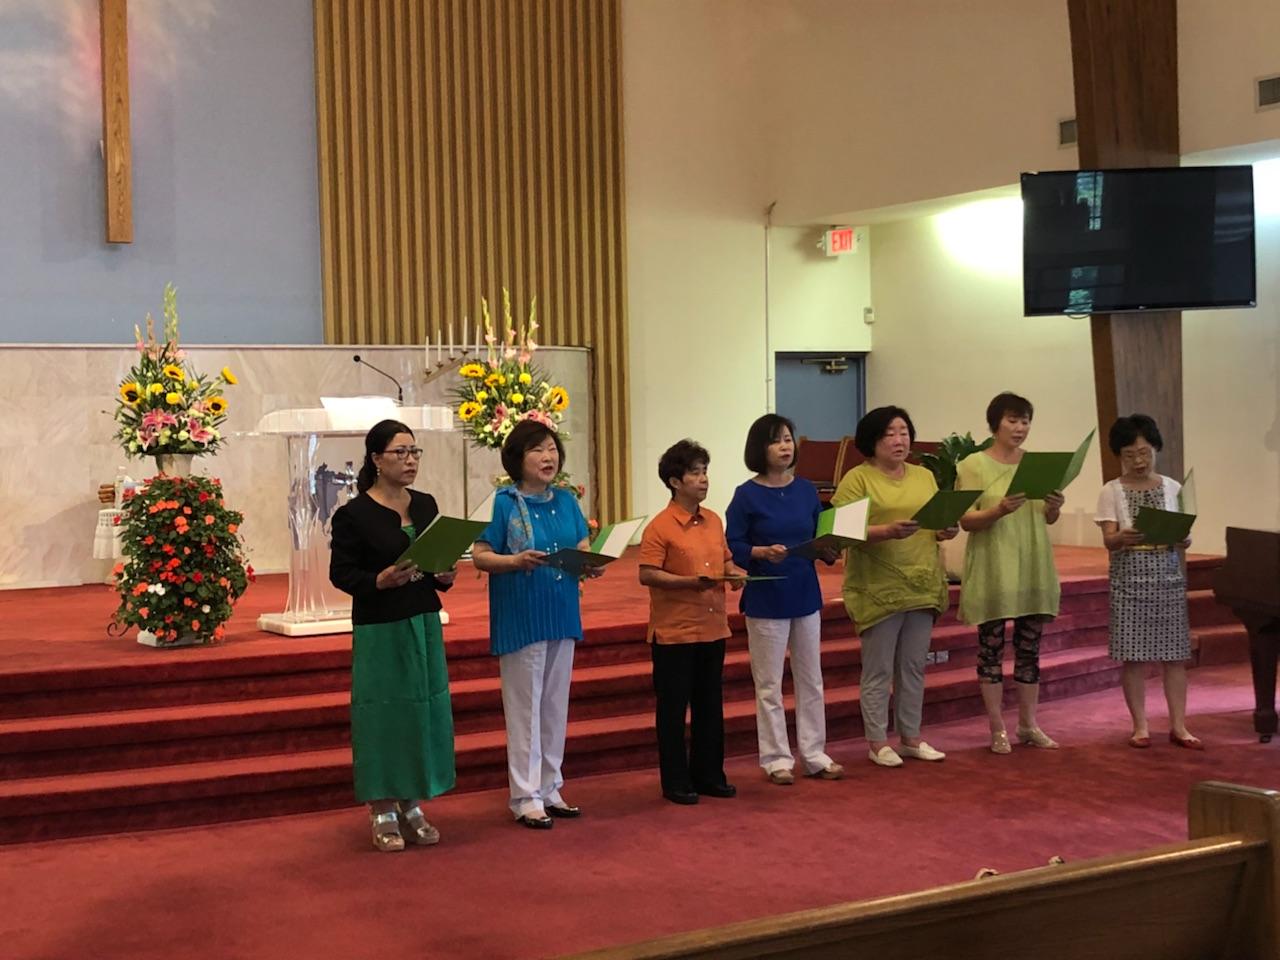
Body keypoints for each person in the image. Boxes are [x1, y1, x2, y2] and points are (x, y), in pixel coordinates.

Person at [329, 419, 457, 852]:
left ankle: (412, 801)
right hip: (381, 625)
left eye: (415, 451)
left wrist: (444, 574)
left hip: (423, 619)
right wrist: (377, 581)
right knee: (384, 714)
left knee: (422, 711)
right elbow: (342, 573)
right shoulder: (353, 514)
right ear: (376, 459)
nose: (410, 460)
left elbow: (437, 564)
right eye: (400, 452)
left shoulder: (425, 504)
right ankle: (382, 807)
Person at [471, 420, 599, 828]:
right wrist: (515, 561)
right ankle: (525, 796)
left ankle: (550, 787)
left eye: (552, 449)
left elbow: (582, 543)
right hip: (522, 614)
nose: (548, 457)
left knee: (554, 706)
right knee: (525, 708)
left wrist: (590, 562)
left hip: (561, 611)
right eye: (537, 450)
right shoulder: (503, 503)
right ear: (517, 458)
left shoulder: (566, 500)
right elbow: (480, 555)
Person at [832, 406, 955, 767]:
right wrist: (884, 531)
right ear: (872, 440)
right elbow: (838, 533)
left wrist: (945, 529)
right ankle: (876, 742)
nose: (899, 440)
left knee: (913, 666)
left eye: (904, 432)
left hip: (921, 582)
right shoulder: (857, 479)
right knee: (879, 669)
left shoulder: (924, 476)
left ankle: (911, 737)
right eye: (890, 433)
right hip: (878, 588)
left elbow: (935, 523)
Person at [726, 414, 843, 785]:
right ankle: (776, 758)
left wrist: (830, 548)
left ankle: (815, 754)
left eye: (788, 439)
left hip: (805, 592)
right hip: (767, 594)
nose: (785, 446)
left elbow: (821, 534)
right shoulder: (746, 495)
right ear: (759, 448)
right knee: (769, 684)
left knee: (811, 679)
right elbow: (732, 543)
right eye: (776, 440)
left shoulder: (807, 490)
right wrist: (760, 552)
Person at [639, 439, 745, 804]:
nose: (703, 480)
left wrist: (734, 573)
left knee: (709, 705)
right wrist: (687, 583)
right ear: (675, 481)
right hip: (675, 631)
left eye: (705, 472)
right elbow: (647, 573)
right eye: (695, 473)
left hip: (712, 626)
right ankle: (675, 781)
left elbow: (725, 559)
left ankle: (710, 775)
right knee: (673, 710)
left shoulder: (713, 520)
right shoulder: (660, 526)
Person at [957, 392, 1064, 754]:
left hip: (1032, 562)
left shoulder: (1036, 465)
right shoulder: (973, 464)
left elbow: (1046, 518)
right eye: (1012, 420)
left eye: (1025, 421)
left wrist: (1054, 507)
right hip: (995, 566)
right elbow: (966, 520)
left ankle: (1028, 724)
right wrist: (998, 510)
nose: (1020, 428)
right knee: (990, 649)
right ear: (995, 424)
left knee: (1029, 649)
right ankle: (997, 728)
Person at [1095, 415, 1201, 750]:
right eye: (1130, 455)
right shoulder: (1111, 490)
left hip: (1168, 577)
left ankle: (1179, 726)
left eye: (1144, 453)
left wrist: (1184, 540)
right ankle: (1140, 726)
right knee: (1134, 657)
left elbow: (1184, 535)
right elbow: (1109, 540)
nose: (1139, 461)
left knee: (1175, 656)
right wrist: (1121, 537)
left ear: (1155, 449)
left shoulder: (1172, 487)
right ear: (1119, 455)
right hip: (1129, 578)